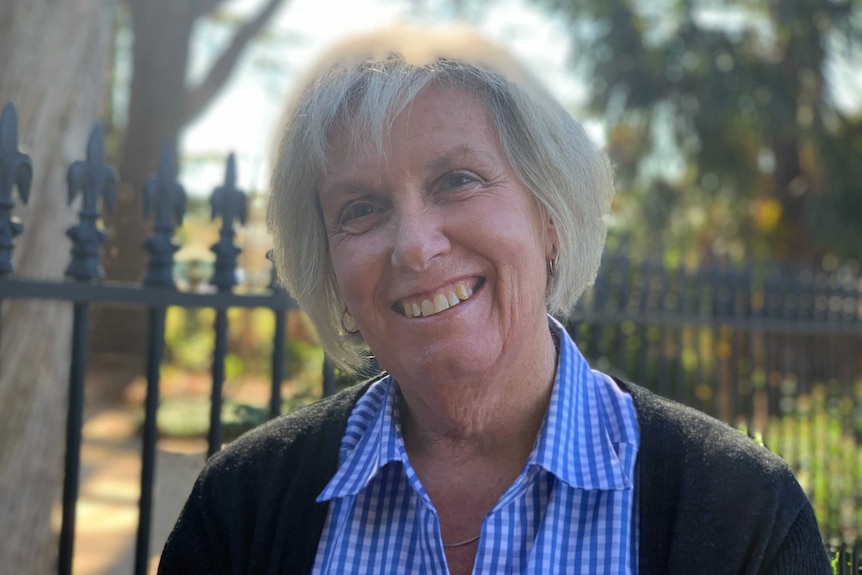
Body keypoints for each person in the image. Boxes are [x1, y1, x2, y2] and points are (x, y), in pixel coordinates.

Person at [158, 26, 831, 575]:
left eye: (458, 179)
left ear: (550, 216)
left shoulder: (743, 514)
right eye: (361, 209)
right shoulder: (240, 509)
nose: (415, 247)